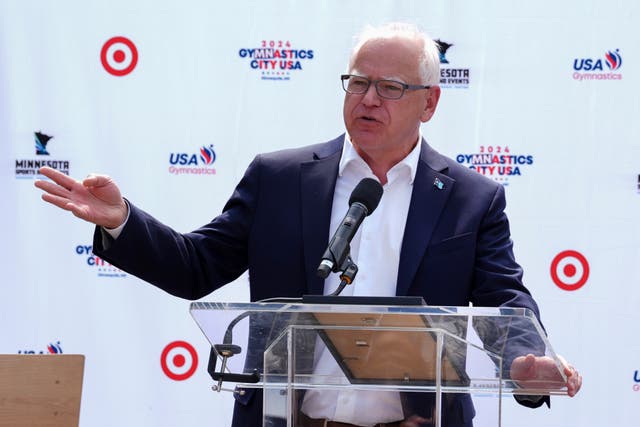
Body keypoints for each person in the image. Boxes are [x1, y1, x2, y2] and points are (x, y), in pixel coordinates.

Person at [35, 22, 581, 427]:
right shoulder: (279, 177)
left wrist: (525, 365)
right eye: (357, 82)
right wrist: (122, 222)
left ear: (430, 102)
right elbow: (196, 267)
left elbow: (503, 300)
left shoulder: (472, 198)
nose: (368, 99)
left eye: (390, 88)